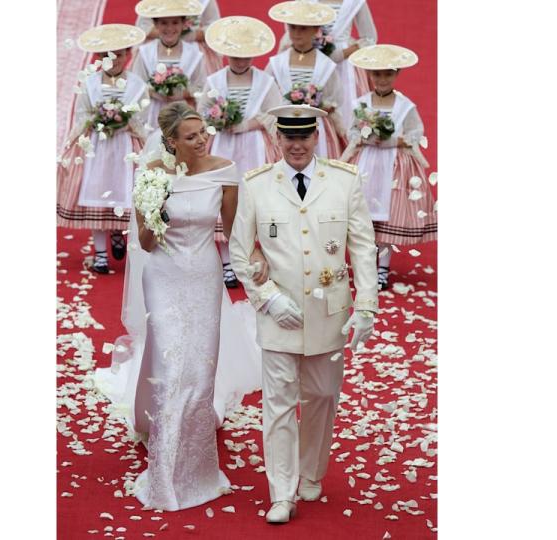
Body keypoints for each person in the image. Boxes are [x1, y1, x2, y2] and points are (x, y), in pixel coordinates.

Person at [92, 102, 269, 511]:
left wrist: (256, 266)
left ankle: (200, 466)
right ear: (172, 142)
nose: (202, 139)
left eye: (203, 132)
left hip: (203, 275)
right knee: (172, 366)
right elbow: (148, 243)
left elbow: (235, 231)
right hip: (164, 276)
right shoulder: (151, 174)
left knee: (200, 368)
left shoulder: (224, 170)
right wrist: (157, 209)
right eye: (191, 137)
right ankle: (165, 471)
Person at [228, 104, 379, 524]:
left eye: (304, 137)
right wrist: (266, 297)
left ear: (317, 138)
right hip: (279, 314)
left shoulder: (343, 182)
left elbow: (363, 245)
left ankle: (310, 472)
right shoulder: (257, 185)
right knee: (277, 403)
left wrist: (366, 304)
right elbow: (240, 250)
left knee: (323, 397)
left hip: (329, 312)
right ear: (278, 140)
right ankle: (281, 492)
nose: (297, 146)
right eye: (289, 138)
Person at [199, 15, 283, 288]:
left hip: (255, 148)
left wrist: (250, 122)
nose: (240, 59)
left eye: (246, 54)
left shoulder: (265, 82)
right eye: (234, 54)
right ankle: (227, 262)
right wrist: (215, 122)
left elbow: (275, 116)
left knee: (255, 200)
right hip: (221, 147)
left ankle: (258, 256)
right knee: (221, 199)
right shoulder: (213, 81)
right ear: (225, 53)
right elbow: (201, 117)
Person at [343, 44, 436, 290]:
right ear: (370, 75)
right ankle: (364, 264)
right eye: (377, 74)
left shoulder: (404, 105)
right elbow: (351, 130)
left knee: (387, 216)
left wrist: (394, 141)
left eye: (388, 73)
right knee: (363, 215)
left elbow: (416, 132)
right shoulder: (361, 103)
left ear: (396, 75)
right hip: (365, 162)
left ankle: (382, 267)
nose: (382, 79)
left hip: (392, 167)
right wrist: (365, 137)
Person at [57, 24, 149, 273]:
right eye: (107, 55)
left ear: (128, 54)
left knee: (125, 192)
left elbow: (143, 118)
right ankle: (100, 253)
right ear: (98, 58)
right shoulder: (90, 83)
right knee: (97, 193)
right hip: (97, 147)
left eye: (119, 54)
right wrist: (76, 137)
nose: (113, 60)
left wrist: (125, 121)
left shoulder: (138, 85)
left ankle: (120, 232)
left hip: (125, 146)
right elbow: (83, 114)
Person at [276, 0, 378, 126]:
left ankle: (333, 141)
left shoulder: (355, 2)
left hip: (344, 67)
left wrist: (341, 54)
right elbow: (294, 28)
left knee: (340, 108)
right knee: (303, 104)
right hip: (309, 60)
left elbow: (369, 37)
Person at [265, 1, 346, 159]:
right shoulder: (277, 63)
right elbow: (266, 94)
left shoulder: (326, 65)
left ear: (316, 30)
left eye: (303, 28)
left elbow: (336, 99)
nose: (296, 33)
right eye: (292, 27)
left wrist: (321, 105)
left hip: (317, 129)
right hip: (284, 127)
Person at [131, 0, 207, 133]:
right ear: (155, 24)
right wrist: (155, 92)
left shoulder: (194, 55)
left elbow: (201, 88)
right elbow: (136, 85)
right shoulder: (145, 53)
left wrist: (184, 92)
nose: (170, 28)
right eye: (164, 23)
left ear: (184, 24)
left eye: (175, 22)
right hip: (152, 114)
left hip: (183, 113)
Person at [135, 0, 224, 74]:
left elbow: (214, 28)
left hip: (194, 47)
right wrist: (168, 34)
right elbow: (143, 27)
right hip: (158, 46)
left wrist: (192, 35)